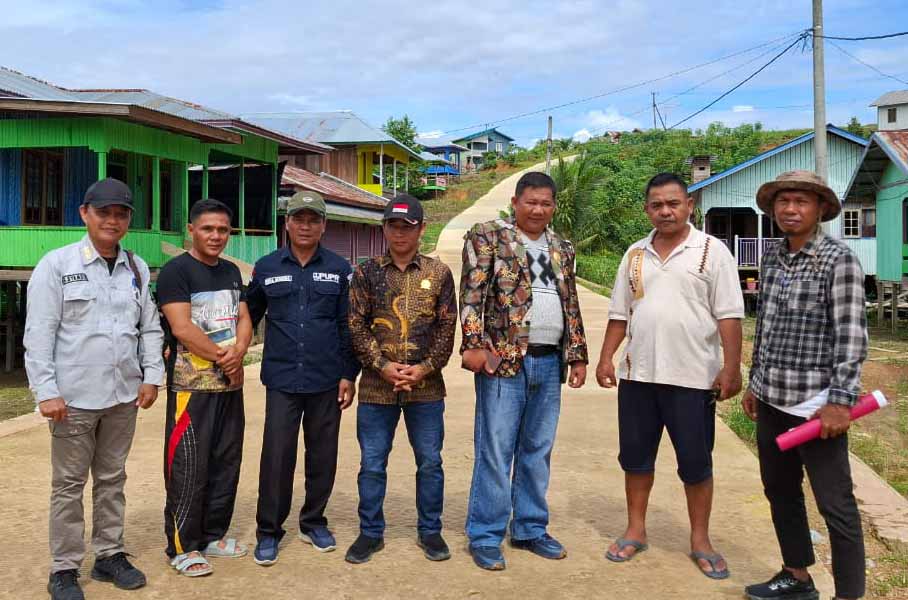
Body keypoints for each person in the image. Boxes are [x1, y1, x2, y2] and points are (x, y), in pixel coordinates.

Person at [595, 172, 744, 579]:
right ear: (647, 209)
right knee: (635, 459)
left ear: (689, 206)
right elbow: (620, 313)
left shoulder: (712, 251)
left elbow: (730, 315)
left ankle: (701, 540)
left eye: (673, 203)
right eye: (657, 205)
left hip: (693, 379)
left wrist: (731, 368)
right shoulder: (635, 254)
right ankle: (635, 530)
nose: (666, 211)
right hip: (638, 377)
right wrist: (606, 358)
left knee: (696, 463)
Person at [25, 178, 164, 600]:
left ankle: (109, 554)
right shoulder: (57, 265)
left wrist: (152, 374)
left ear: (129, 220)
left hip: (123, 395)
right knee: (68, 485)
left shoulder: (136, 267)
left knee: (112, 478)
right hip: (73, 399)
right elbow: (39, 333)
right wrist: (46, 391)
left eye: (121, 214)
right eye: (104, 212)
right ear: (85, 213)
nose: (112, 220)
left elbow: (149, 327)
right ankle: (64, 568)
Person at [742, 171, 868, 600]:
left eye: (801, 202)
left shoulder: (838, 260)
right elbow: (766, 326)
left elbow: (851, 336)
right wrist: (754, 382)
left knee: (836, 504)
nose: (791, 210)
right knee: (780, 490)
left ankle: (849, 594)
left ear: (820, 209)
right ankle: (797, 575)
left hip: (816, 408)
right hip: (772, 398)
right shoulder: (772, 257)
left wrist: (840, 402)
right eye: (784, 201)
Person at [460, 171, 588, 571]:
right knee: (496, 450)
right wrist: (472, 344)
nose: (538, 209)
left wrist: (578, 354)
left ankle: (530, 528)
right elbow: (473, 293)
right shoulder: (488, 235)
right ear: (515, 203)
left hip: (549, 361)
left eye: (546, 203)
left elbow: (570, 302)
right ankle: (485, 535)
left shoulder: (561, 247)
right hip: (503, 360)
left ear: (554, 207)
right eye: (530, 202)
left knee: (537, 450)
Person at [246, 191, 359, 565]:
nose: (306, 226)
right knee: (277, 456)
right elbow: (248, 314)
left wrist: (348, 373)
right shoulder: (266, 267)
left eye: (313, 220)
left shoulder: (340, 269)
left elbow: (347, 324)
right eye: (299, 219)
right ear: (287, 223)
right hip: (281, 378)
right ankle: (268, 531)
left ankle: (313, 522)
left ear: (324, 225)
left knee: (323, 455)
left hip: (326, 378)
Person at [345, 194, 457, 564]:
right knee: (372, 464)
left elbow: (446, 326)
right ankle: (370, 532)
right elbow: (356, 324)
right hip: (377, 387)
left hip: (426, 388)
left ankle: (431, 531)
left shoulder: (438, 273)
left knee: (430, 462)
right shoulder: (366, 272)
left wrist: (425, 367)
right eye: (393, 225)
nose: (400, 233)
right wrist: (382, 365)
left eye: (407, 227)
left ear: (421, 229)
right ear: (384, 228)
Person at [156, 198, 253, 578]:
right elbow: (182, 327)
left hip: (229, 386)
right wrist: (224, 358)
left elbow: (242, 316)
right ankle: (182, 546)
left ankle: (213, 534)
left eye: (223, 230)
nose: (216, 236)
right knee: (188, 466)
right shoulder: (176, 271)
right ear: (191, 230)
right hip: (191, 387)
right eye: (208, 228)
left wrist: (239, 351)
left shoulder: (230, 271)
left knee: (226, 463)